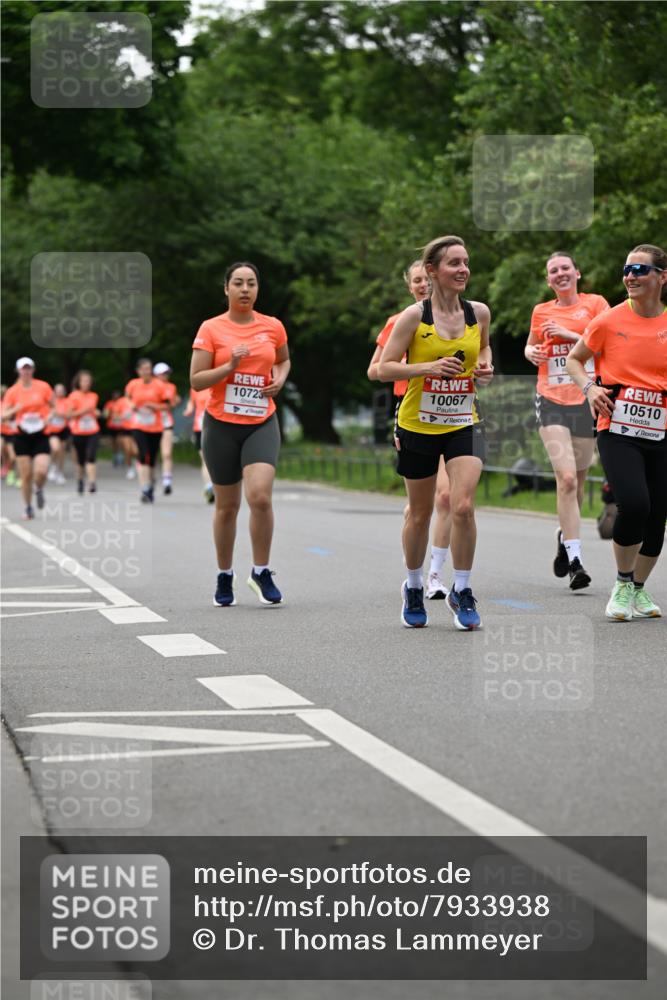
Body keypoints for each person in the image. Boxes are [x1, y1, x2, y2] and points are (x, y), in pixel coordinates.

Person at [378, 235, 493, 630]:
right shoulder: (414, 317)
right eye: (454, 263)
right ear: (432, 270)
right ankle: (413, 585)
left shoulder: (478, 313)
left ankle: (462, 589)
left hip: (464, 421)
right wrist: (426, 368)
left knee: (462, 506)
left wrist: (485, 368)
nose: (463, 270)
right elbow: (383, 368)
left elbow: (484, 350)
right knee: (421, 512)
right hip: (418, 424)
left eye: (466, 262)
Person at [566, 243, 667, 621]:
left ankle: (638, 589)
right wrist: (589, 388)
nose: (630, 276)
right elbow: (575, 360)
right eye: (627, 270)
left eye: (640, 270)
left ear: (662, 277)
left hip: (662, 429)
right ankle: (623, 584)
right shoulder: (609, 320)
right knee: (635, 504)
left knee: (657, 516)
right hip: (618, 426)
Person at [190, 261, 290, 607]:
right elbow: (196, 380)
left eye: (251, 283)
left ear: (257, 289)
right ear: (226, 289)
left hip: (261, 421)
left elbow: (283, 360)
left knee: (260, 497)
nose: (245, 289)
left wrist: (280, 378)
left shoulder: (272, 326)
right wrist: (229, 366)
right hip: (221, 424)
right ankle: (224, 574)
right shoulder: (211, 328)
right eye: (238, 283)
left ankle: (261, 571)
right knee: (227, 506)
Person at [368, 261, 453, 600]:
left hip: (451, 413)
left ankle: (435, 574)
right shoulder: (400, 321)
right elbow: (375, 370)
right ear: (410, 286)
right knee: (420, 507)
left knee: (446, 497)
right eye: (417, 280)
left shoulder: (457, 318)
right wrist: (417, 366)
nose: (423, 285)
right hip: (412, 415)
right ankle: (414, 566)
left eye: (427, 279)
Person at [525, 253, 609, 589]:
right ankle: (576, 561)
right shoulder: (541, 311)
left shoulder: (596, 304)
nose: (560, 273)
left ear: (577, 273)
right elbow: (531, 346)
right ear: (549, 280)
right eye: (553, 271)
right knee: (568, 479)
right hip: (551, 399)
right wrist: (531, 353)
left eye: (565, 268)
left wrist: (569, 333)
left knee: (578, 484)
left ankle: (565, 536)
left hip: (586, 400)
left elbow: (608, 346)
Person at [2, 357, 53, 518]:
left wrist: (49, 417)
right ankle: (28, 507)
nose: (26, 371)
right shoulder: (12, 391)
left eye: (28, 368)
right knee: (26, 475)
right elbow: (3, 415)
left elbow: (54, 406)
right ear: (18, 371)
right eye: (23, 369)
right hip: (22, 436)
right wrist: (15, 409)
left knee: (41, 471)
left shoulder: (43, 387)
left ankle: (39, 488)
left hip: (41, 434)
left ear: (33, 370)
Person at [125, 358, 170, 503]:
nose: (147, 371)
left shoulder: (159, 385)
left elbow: (167, 405)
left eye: (149, 368)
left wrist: (154, 406)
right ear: (138, 371)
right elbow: (127, 398)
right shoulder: (133, 384)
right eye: (144, 369)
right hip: (138, 425)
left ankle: (150, 482)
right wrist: (131, 405)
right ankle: (144, 487)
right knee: (143, 455)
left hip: (155, 426)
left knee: (152, 457)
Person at [67, 370, 101, 494]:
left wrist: (96, 412)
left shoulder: (94, 396)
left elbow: (94, 411)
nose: (87, 383)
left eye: (88, 381)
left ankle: (92, 483)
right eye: (84, 381)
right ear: (79, 382)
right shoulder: (73, 396)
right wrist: (83, 411)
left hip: (92, 430)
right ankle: (80, 480)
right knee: (80, 459)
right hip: (78, 431)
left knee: (91, 456)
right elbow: (69, 414)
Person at [153, 362, 181, 495]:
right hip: (151, 425)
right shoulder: (150, 386)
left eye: (167, 373)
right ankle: (150, 478)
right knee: (151, 455)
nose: (166, 375)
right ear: (156, 374)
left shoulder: (171, 387)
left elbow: (172, 403)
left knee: (167, 453)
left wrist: (174, 401)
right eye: (163, 373)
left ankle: (167, 481)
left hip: (166, 423)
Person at [184, 387, 214, 502]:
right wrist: (189, 409)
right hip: (200, 428)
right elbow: (191, 402)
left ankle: (218, 486)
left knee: (218, 460)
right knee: (206, 460)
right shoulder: (197, 386)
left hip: (219, 428)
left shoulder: (221, 382)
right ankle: (209, 487)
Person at [103, 390, 137, 479]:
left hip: (135, 427)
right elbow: (107, 414)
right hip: (117, 427)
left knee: (134, 449)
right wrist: (109, 414)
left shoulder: (137, 400)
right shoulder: (113, 403)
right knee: (119, 444)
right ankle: (120, 459)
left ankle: (132, 460)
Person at [45, 383, 70, 485]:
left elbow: (70, 415)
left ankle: (59, 472)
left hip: (63, 429)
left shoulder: (68, 401)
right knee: (55, 448)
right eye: (57, 390)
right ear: (54, 392)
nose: (59, 392)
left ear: (64, 392)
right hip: (52, 430)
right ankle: (52, 466)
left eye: (61, 390)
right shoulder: (50, 401)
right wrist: (50, 415)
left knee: (62, 452)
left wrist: (59, 414)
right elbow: (45, 414)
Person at [1, 384, 18, 487]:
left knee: (12, 457)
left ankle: (11, 473)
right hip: (2, 433)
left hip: (12, 434)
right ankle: (4, 467)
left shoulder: (15, 404)